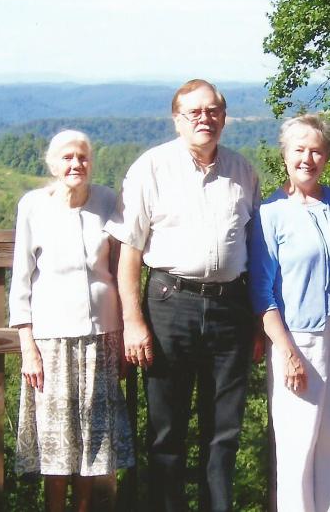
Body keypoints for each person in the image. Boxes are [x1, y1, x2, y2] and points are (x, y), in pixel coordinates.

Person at [104, 79, 261, 512]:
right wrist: (133, 322)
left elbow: (256, 251)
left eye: (212, 111)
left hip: (232, 307)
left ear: (224, 118)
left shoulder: (243, 171)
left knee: (224, 432)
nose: (204, 119)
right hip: (171, 305)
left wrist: (259, 322)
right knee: (165, 430)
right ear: (177, 119)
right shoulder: (150, 168)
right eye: (194, 112)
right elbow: (129, 253)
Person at [249, 114, 330, 512]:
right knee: (297, 442)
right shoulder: (270, 212)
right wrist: (287, 352)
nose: (308, 158)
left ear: (327, 156)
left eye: (316, 150)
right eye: (299, 149)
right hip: (297, 339)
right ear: (285, 155)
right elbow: (262, 293)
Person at [9, 129, 134, 512]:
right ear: (52, 164)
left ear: (91, 162)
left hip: (103, 338)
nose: (76, 164)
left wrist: (129, 333)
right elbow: (22, 278)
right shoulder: (33, 205)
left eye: (82, 157)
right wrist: (27, 347)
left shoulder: (108, 201)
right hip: (51, 342)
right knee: (57, 441)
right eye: (67, 157)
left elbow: (123, 267)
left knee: (92, 444)